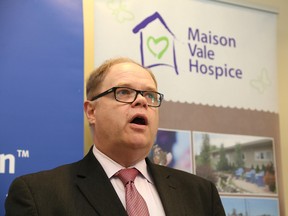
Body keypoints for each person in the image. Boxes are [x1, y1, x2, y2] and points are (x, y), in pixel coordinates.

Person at [5, 57, 226, 216]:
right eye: (124, 92)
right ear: (91, 111)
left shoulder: (200, 193)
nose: (141, 101)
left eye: (149, 95)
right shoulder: (38, 194)